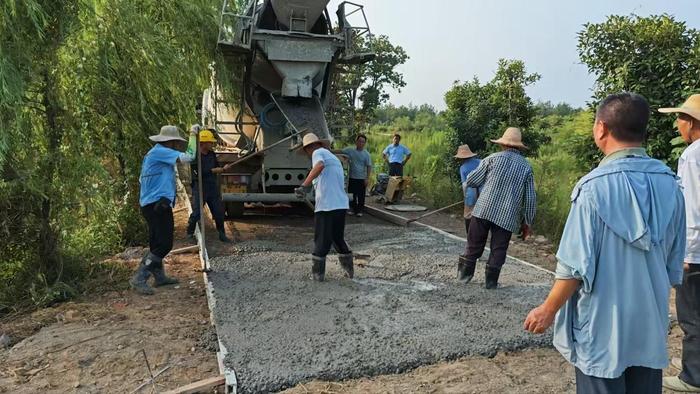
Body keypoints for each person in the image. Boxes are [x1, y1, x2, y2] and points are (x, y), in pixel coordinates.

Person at [524, 93, 686, 394]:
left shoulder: (592, 189)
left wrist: (548, 309)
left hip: (602, 331)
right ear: (642, 131)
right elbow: (673, 263)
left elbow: (574, 267)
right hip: (649, 327)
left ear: (601, 129)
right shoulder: (671, 185)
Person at [458, 127, 536, 288]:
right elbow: (530, 199)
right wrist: (527, 222)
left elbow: (472, 180)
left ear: (503, 144)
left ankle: (464, 278)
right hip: (507, 215)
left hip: (483, 209)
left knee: (473, 244)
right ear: (519, 147)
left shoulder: (491, 159)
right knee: (498, 249)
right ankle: (490, 283)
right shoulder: (526, 167)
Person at [659, 94, 700, 392]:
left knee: (692, 316)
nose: (677, 123)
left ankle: (693, 377)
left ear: (692, 123)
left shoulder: (692, 156)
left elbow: (693, 207)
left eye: (680, 118)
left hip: (696, 251)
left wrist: (687, 250)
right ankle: (692, 363)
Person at [131, 125, 195, 295]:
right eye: (175, 142)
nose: (176, 146)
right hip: (157, 204)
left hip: (151, 204)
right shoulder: (161, 152)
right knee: (164, 244)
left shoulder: (155, 154)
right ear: (171, 142)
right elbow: (189, 157)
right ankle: (140, 277)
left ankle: (159, 277)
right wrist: (193, 136)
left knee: (156, 243)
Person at [295, 133, 354, 282]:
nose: (308, 154)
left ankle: (317, 276)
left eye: (307, 151)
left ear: (309, 148)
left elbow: (319, 166)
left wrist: (304, 186)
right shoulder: (334, 158)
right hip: (340, 205)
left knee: (321, 240)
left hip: (327, 206)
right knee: (337, 238)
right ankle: (349, 271)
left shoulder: (318, 152)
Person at [185, 128, 234, 243]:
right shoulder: (195, 157)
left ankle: (222, 234)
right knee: (197, 212)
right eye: (210, 142)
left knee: (218, 211)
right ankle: (189, 233)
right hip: (200, 187)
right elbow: (197, 172)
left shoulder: (211, 154)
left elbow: (217, 167)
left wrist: (223, 169)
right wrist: (213, 170)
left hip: (212, 186)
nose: (212, 144)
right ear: (203, 143)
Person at [342, 134, 373, 217]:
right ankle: (353, 209)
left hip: (361, 178)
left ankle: (360, 211)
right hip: (352, 177)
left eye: (363, 142)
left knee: (361, 195)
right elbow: (340, 152)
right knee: (352, 195)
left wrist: (367, 178)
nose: (361, 143)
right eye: (359, 141)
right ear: (356, 142)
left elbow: (369, 166)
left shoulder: (366, 154)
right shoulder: (350, 150)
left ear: (365, 143)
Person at [455, 144, 480, 236]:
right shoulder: (480, 162)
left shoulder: (463, 168)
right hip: (483, 192)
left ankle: (469, 234)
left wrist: (464, 195)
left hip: (471, 193)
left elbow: (465, 185)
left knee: (468, 214)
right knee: (480, 214)